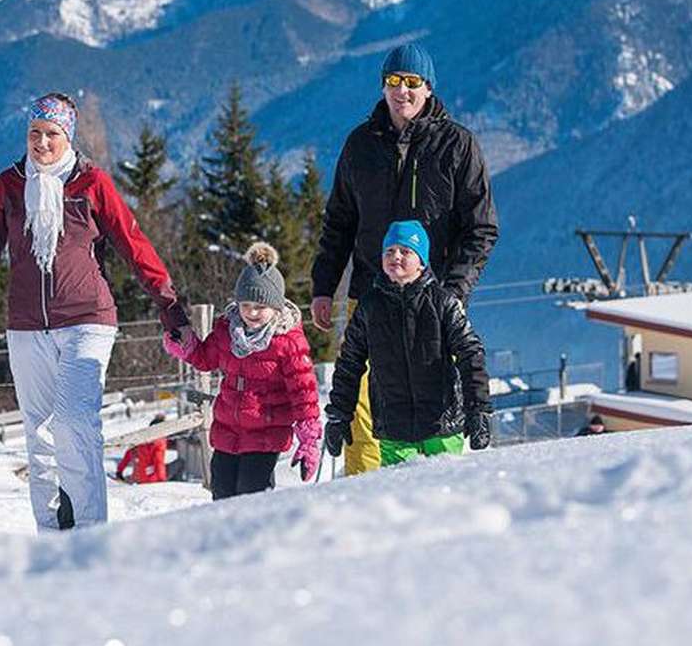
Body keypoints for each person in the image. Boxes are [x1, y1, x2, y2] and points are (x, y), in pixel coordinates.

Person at [0, 92, 190, 531]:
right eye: (34, 133)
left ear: (68, 137)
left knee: (75, 423)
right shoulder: (8, 186)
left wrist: (168, 305)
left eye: (52, 135)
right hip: (25, 326)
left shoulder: (91, 183)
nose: (41, 143)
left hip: (87, 319)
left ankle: (89, 533)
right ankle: (51, 536)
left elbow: (134, 245)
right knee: (38, 436)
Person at [310, 42, 498, 475]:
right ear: (383, 86)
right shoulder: (360, 146)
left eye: (413, 83)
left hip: (435, 302)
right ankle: (366, 495)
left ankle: (438, 491)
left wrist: (453, 291)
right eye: (394, 81)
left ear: (429, 88)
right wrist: (323, 287)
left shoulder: (457, 145)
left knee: (433, 402)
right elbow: (338, 222)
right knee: (362, 402)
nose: (403, 91)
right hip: (369, 296)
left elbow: (482, 227)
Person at [324, 220, 492, 467]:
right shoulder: (369, 307)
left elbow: (470, 352)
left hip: (441, 422)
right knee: (401, 497)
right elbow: (349, 363)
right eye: (389, 251)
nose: (396, 257)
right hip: (394, 427)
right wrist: (339, 415)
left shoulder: (443, 303)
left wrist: (478, 408)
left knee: (446, 494)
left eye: (406, 251)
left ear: (421, 260)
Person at [166, 242, 321, 499]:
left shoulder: (287, 341)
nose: (251, 312)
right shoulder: (228, 330)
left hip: (266, 434)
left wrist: (309, 440)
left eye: (260, 306)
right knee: (222, 493)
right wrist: (186, 345)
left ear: (276, 307)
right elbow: (206, 358)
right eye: (246, 304)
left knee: (251, 494)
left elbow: (304, 391)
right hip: (227, 430)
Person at [116, 415, 169, 484]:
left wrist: (119, 471)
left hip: (139, 477)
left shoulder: (140, 440)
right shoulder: (160, 442)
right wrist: (162, 479)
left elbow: (128, 455)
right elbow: (159, 462)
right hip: (153, 479)